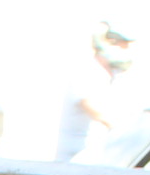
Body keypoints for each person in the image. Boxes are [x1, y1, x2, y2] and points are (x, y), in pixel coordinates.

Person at [54, 22, 135, 163]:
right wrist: (121, 128)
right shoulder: (87, 71)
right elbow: (91, 106)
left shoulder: (112, 75)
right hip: (74, 157)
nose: (125, 51)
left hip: (96, 155)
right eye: (122, 46)